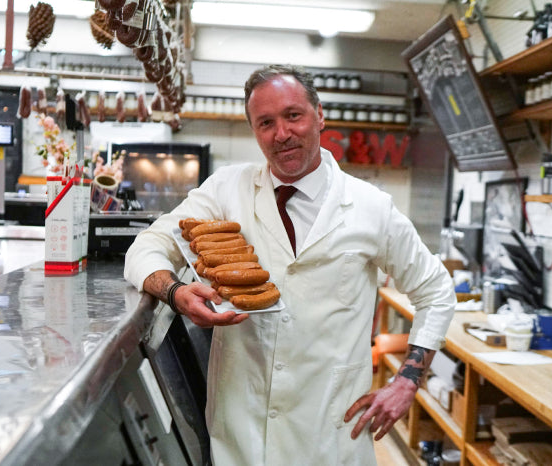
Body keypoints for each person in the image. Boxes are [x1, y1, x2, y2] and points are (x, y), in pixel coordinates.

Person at [124, 64, 456, 465]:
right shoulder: (227, 189)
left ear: (320, 115)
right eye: (265, 123)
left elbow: (436, 291)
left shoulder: (371, 208)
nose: (281, 134)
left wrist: (406, 382)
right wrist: (175, 293)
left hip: (331, 432)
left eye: (293, 116)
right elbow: (147, 245)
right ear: (254, 131)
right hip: (241, 431)